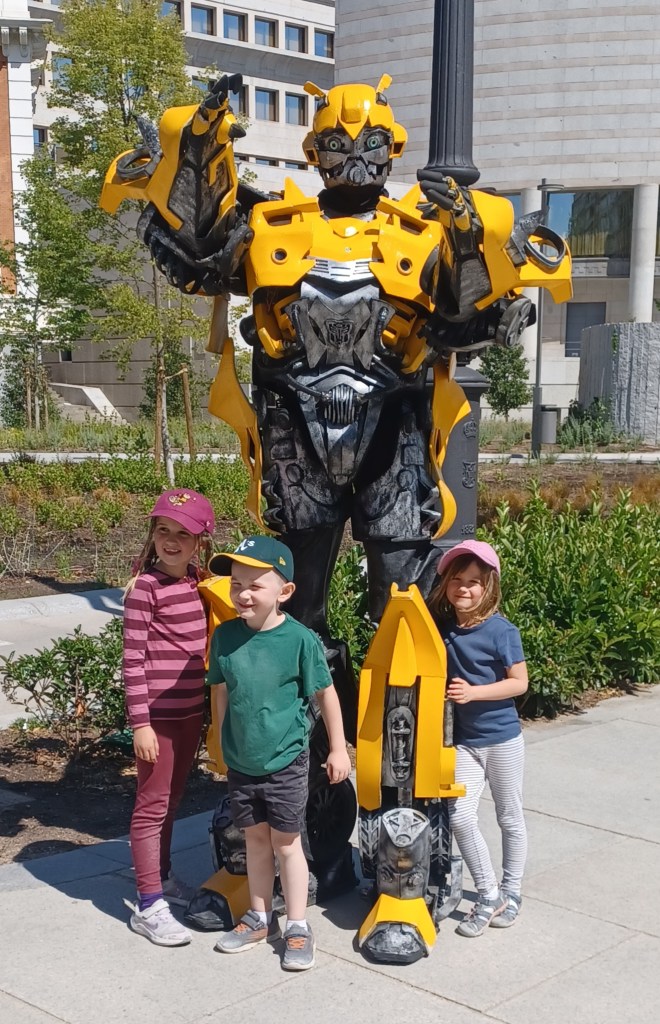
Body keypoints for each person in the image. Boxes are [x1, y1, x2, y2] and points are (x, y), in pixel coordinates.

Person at [207, 535, 352, 972]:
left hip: (286, 760)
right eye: (236, 583)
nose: (242, 593)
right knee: (254, 839)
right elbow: (220, 692)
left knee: (287, 844)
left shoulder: (299, 640)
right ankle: (257, 916)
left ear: (284, 591)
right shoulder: (225, 637)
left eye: (255, 584)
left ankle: (297, 924)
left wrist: (339, 748)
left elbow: (326, 696)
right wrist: (218, 741)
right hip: (241, 762)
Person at [123, 487, 215, 946]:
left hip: (189, 715)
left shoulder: (198, 584)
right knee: (151, 805)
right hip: (157, 719)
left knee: (173, 800)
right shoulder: (145, 588)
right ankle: (148, 904)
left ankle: (160, 877)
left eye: (184, 533)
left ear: (201, 540)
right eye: (164, 531)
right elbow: (132, 661)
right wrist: (140, 724)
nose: (172, 541)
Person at [427, 539, 529, 938]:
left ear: (490, 587)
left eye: (474, 582)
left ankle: (512, 890)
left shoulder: (502, 631)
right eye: (457, 580)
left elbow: (519, 683)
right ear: (446, 585)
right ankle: (488, 894)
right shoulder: (444, 630)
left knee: (509, 817)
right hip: (466, 743)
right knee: (460, 817)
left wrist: (474, 693)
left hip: (503, 739)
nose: (464, 589)